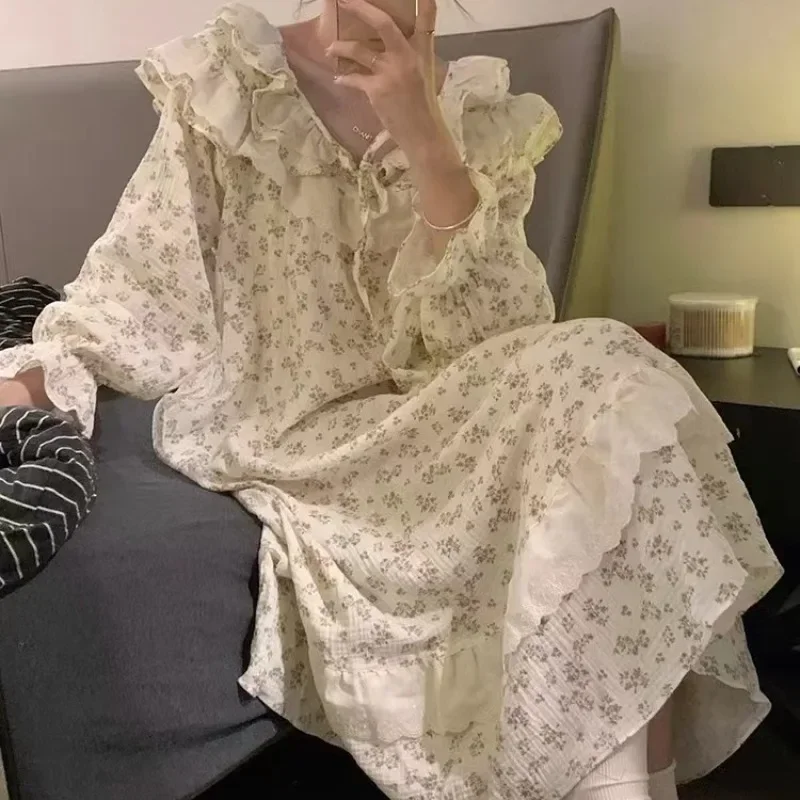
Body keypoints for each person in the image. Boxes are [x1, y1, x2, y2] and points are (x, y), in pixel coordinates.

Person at [0, 1, 782, 799]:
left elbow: (500, 340)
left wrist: (424, 136)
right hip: (290, 434)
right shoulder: (231, 85)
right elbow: (138, 293)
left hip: (445, 421)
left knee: (616, 371)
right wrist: (28, 382)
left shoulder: (482, 118)